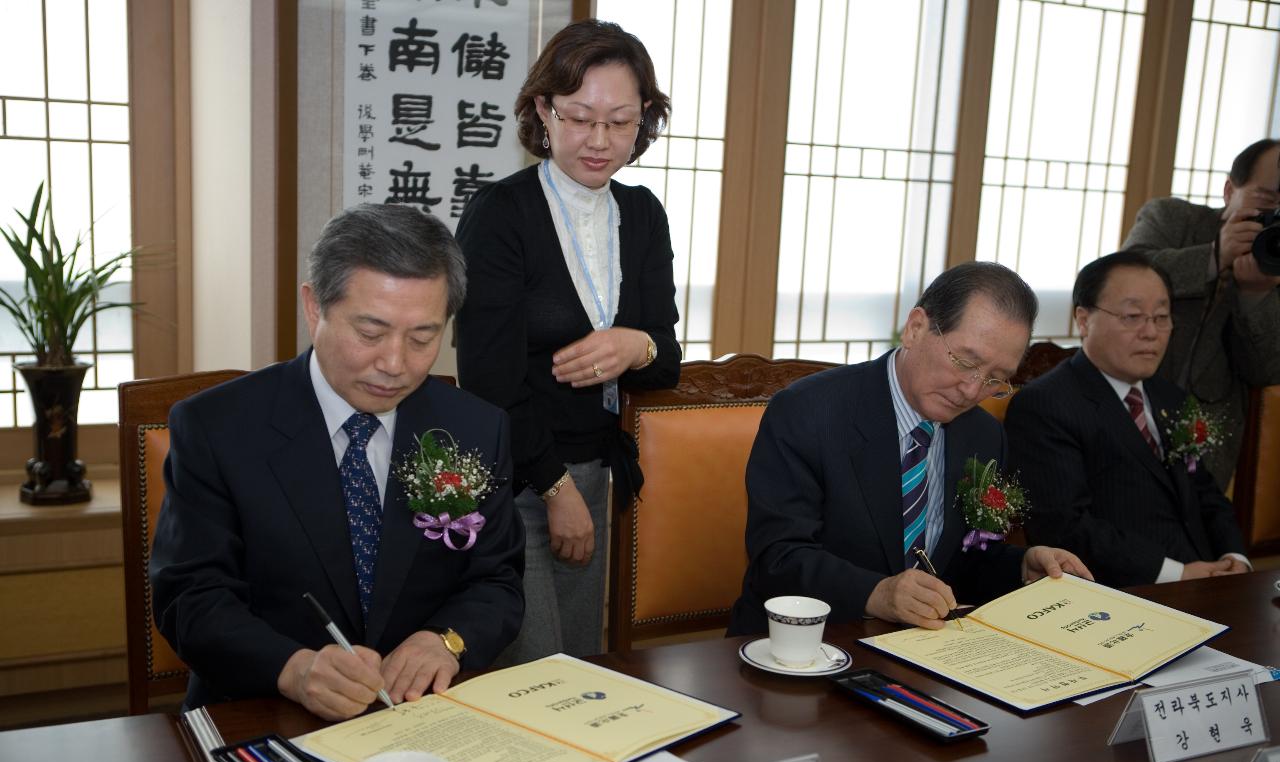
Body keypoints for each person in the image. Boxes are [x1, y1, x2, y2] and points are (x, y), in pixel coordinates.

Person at [150, 204, 524, 720]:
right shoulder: (217, 427)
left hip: (422, 713)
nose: (395, 364)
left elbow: (496, 580)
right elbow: (190, 598)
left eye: (422, 338)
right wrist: (292, 668)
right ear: (313, 307)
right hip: (261, 708)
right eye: (370, 333)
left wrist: (447, 640)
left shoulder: (474, 428)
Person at [455, 19, 680, 662]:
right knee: (534, 673)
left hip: (598, 470)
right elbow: (487, 380)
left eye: (621, 121)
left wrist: (636, 346)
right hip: (514, 476)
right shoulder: (501, 212)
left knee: (582, 664)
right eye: (580, 117)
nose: (599, 141)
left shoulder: (643, 215)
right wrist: (555, 490)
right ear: (542, 112)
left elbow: (664, 363)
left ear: (645, 121)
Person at [728, 262, 1093, 635]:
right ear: (916, 328)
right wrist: (877, 593)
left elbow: (963, 558)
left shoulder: (983, 435)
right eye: (966, 361)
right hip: (804, 641)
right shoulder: (809, 412)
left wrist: (1020, 566)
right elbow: (779, 558)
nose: (971, 390)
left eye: (996, 379)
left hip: (922, 647)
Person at [1004, 253, 1249, 587]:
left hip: (1209, 581)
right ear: (1084, 319)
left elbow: (1206, 493)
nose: (1151, 332)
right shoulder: (1045, 404)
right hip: (1123, 593)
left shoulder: (1170, 397)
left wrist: (1235, 557)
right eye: (1133, 316)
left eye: (1161, 317)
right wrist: (1177, 574)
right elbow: (1064, 526)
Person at [1121, 138, 1280, 488]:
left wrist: (1256, 294)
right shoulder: (1172, 218)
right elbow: (1123, 279)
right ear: (1229, 190)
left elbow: (1266, 372)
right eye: (1267, 201)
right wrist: (1214, 255)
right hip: (1125, 408)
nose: (1275, 217)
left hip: (1208, 443)